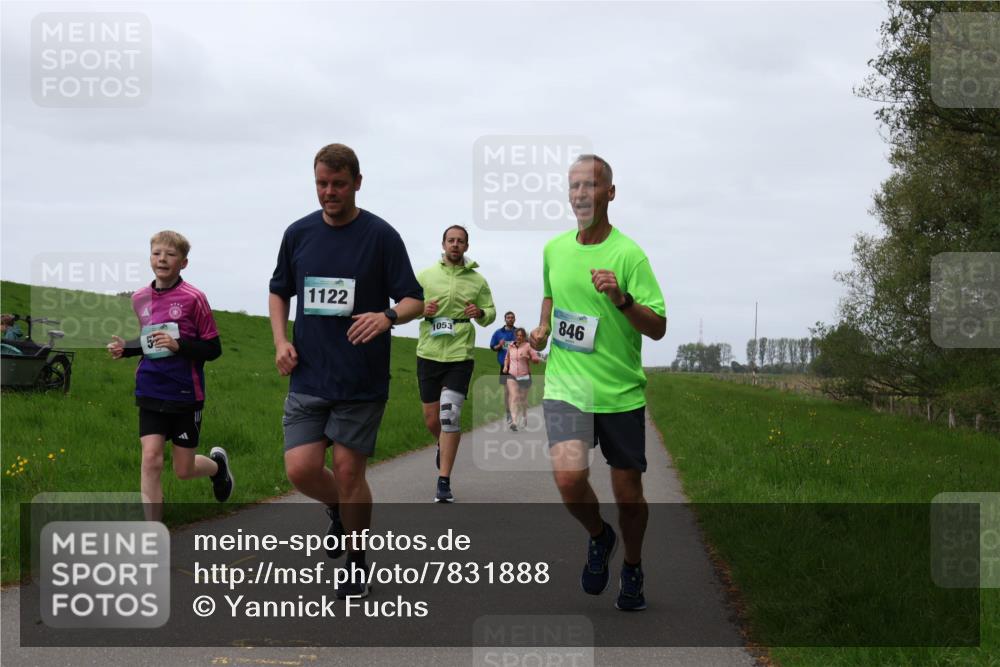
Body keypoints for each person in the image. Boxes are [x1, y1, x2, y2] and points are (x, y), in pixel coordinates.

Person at [269, 143, 424, 599]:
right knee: (300, 470)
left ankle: (357, 562)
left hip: (360, 378)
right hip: (309, 374)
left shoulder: (381, 236)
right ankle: (338, 507)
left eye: (338, 184)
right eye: (321, 184)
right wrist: (281, 341)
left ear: (357, 182)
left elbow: (414, 299)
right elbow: (280, 292)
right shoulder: (298, 234)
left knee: (349, 470)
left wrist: (388, 317)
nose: (329, 192)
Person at [529, 154, 666, 611]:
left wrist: (621, 298)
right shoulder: (554, 249)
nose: (580, 194)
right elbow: (551, 293)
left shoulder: (629, 255)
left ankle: (631, 564)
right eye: (573, 186)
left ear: (610, 192)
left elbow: (658, 327)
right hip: (567, 386)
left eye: (589, 185)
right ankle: (598, 536)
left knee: (629, 496)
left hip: (620, 393)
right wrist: (544, 325)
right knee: (569, 480)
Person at [107, 230, 233, 522]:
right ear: (150, 257)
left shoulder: (194, 298)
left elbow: (213, 348)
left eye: (170, 254)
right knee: (150, 459)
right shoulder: (139, 298)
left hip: (185, 393)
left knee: (183, 470)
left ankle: (217, 467)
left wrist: (180, 346)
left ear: (183, 263)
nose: (162, 259)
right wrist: (124, 349)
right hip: (150, 387)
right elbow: (149, 340)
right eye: (156, 253)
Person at [416, 224, 496, 503]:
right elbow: (408, 304)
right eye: (451, 240)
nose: (455, 245)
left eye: (460, 241)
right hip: (428, 352)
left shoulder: (477, 280)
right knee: (431, 418)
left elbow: (491, 313)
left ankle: (443, 480)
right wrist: (420, 309)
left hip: (460, 354)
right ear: (443, 244)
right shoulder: (426, 275)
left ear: (466, 246)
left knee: (449, 415)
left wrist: (480, 312)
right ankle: (443, 443)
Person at [502, 327, 540, 430]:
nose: (519, 337)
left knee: (522, 399)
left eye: (521, 336)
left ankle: (524, 416)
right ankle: (514, 422)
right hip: (512, 375)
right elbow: (507, 358)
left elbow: (536, 359)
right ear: (515, 336)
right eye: (518, 335)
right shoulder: (511, 346)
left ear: (524, 337)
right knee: (514, 397)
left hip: (524, 375)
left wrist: (528, 357)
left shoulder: (528, 346)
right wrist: (506, 366)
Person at [489, 311, 517, 428]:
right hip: (504, 367)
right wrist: (499, 346)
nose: (510, 319)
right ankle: (509, 413)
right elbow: (492, 347)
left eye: (512, 318)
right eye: (508, 318)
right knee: (507, 392)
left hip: (516, 365)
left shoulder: (518, 333)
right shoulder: (498, 333)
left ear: (514, 319)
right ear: (504, 319)